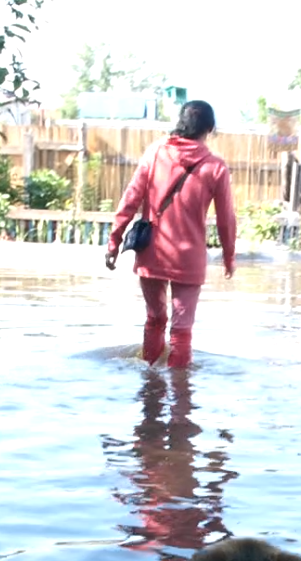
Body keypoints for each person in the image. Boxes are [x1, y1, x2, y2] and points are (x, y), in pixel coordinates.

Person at [106, 100, 237, 369]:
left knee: (154, 320)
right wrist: (228, 257)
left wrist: (114, 241)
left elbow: (130, 199)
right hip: (189, 259)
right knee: (181, 330)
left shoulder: (156, 153)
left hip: (152, 251)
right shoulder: (215, 167)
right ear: (209, 129)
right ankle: (180, 398)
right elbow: (226, 219)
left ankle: (150, 387)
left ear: (180, 123)